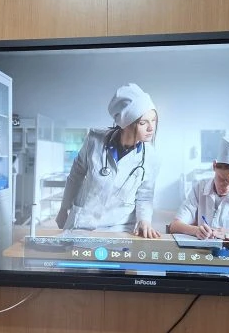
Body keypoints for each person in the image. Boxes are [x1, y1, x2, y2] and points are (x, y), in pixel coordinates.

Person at [56, 83, 161, 238]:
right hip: (83, 222)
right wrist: (64, 208)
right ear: (126, 124)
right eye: (143, 122)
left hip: (119, 226)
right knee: (74, 253)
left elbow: (145, 195)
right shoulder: (94, 141)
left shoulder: (151, 156)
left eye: (153, 120)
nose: (151, 128)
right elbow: (75, 176)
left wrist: (144, 220)